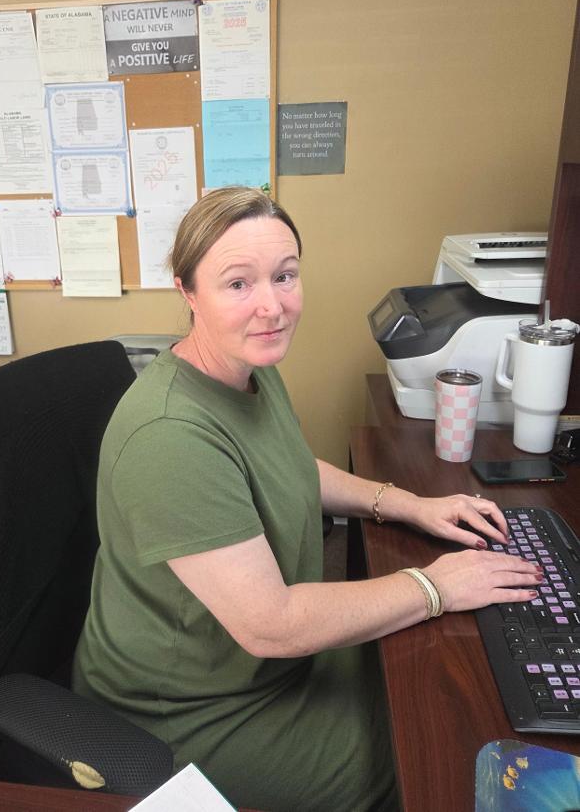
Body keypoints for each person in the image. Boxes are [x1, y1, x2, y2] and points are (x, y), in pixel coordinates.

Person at [72, 187, 541, 811]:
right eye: (238, 283)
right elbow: (272, 625)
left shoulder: (250, 368)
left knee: (443, 682)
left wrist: (409, 504)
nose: (272, 306)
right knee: (437, 763)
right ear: (188, 292)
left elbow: (290, 467)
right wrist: (437, 587)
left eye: (285, 275)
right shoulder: (169, 436)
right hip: (188, 709)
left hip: (267, 665)